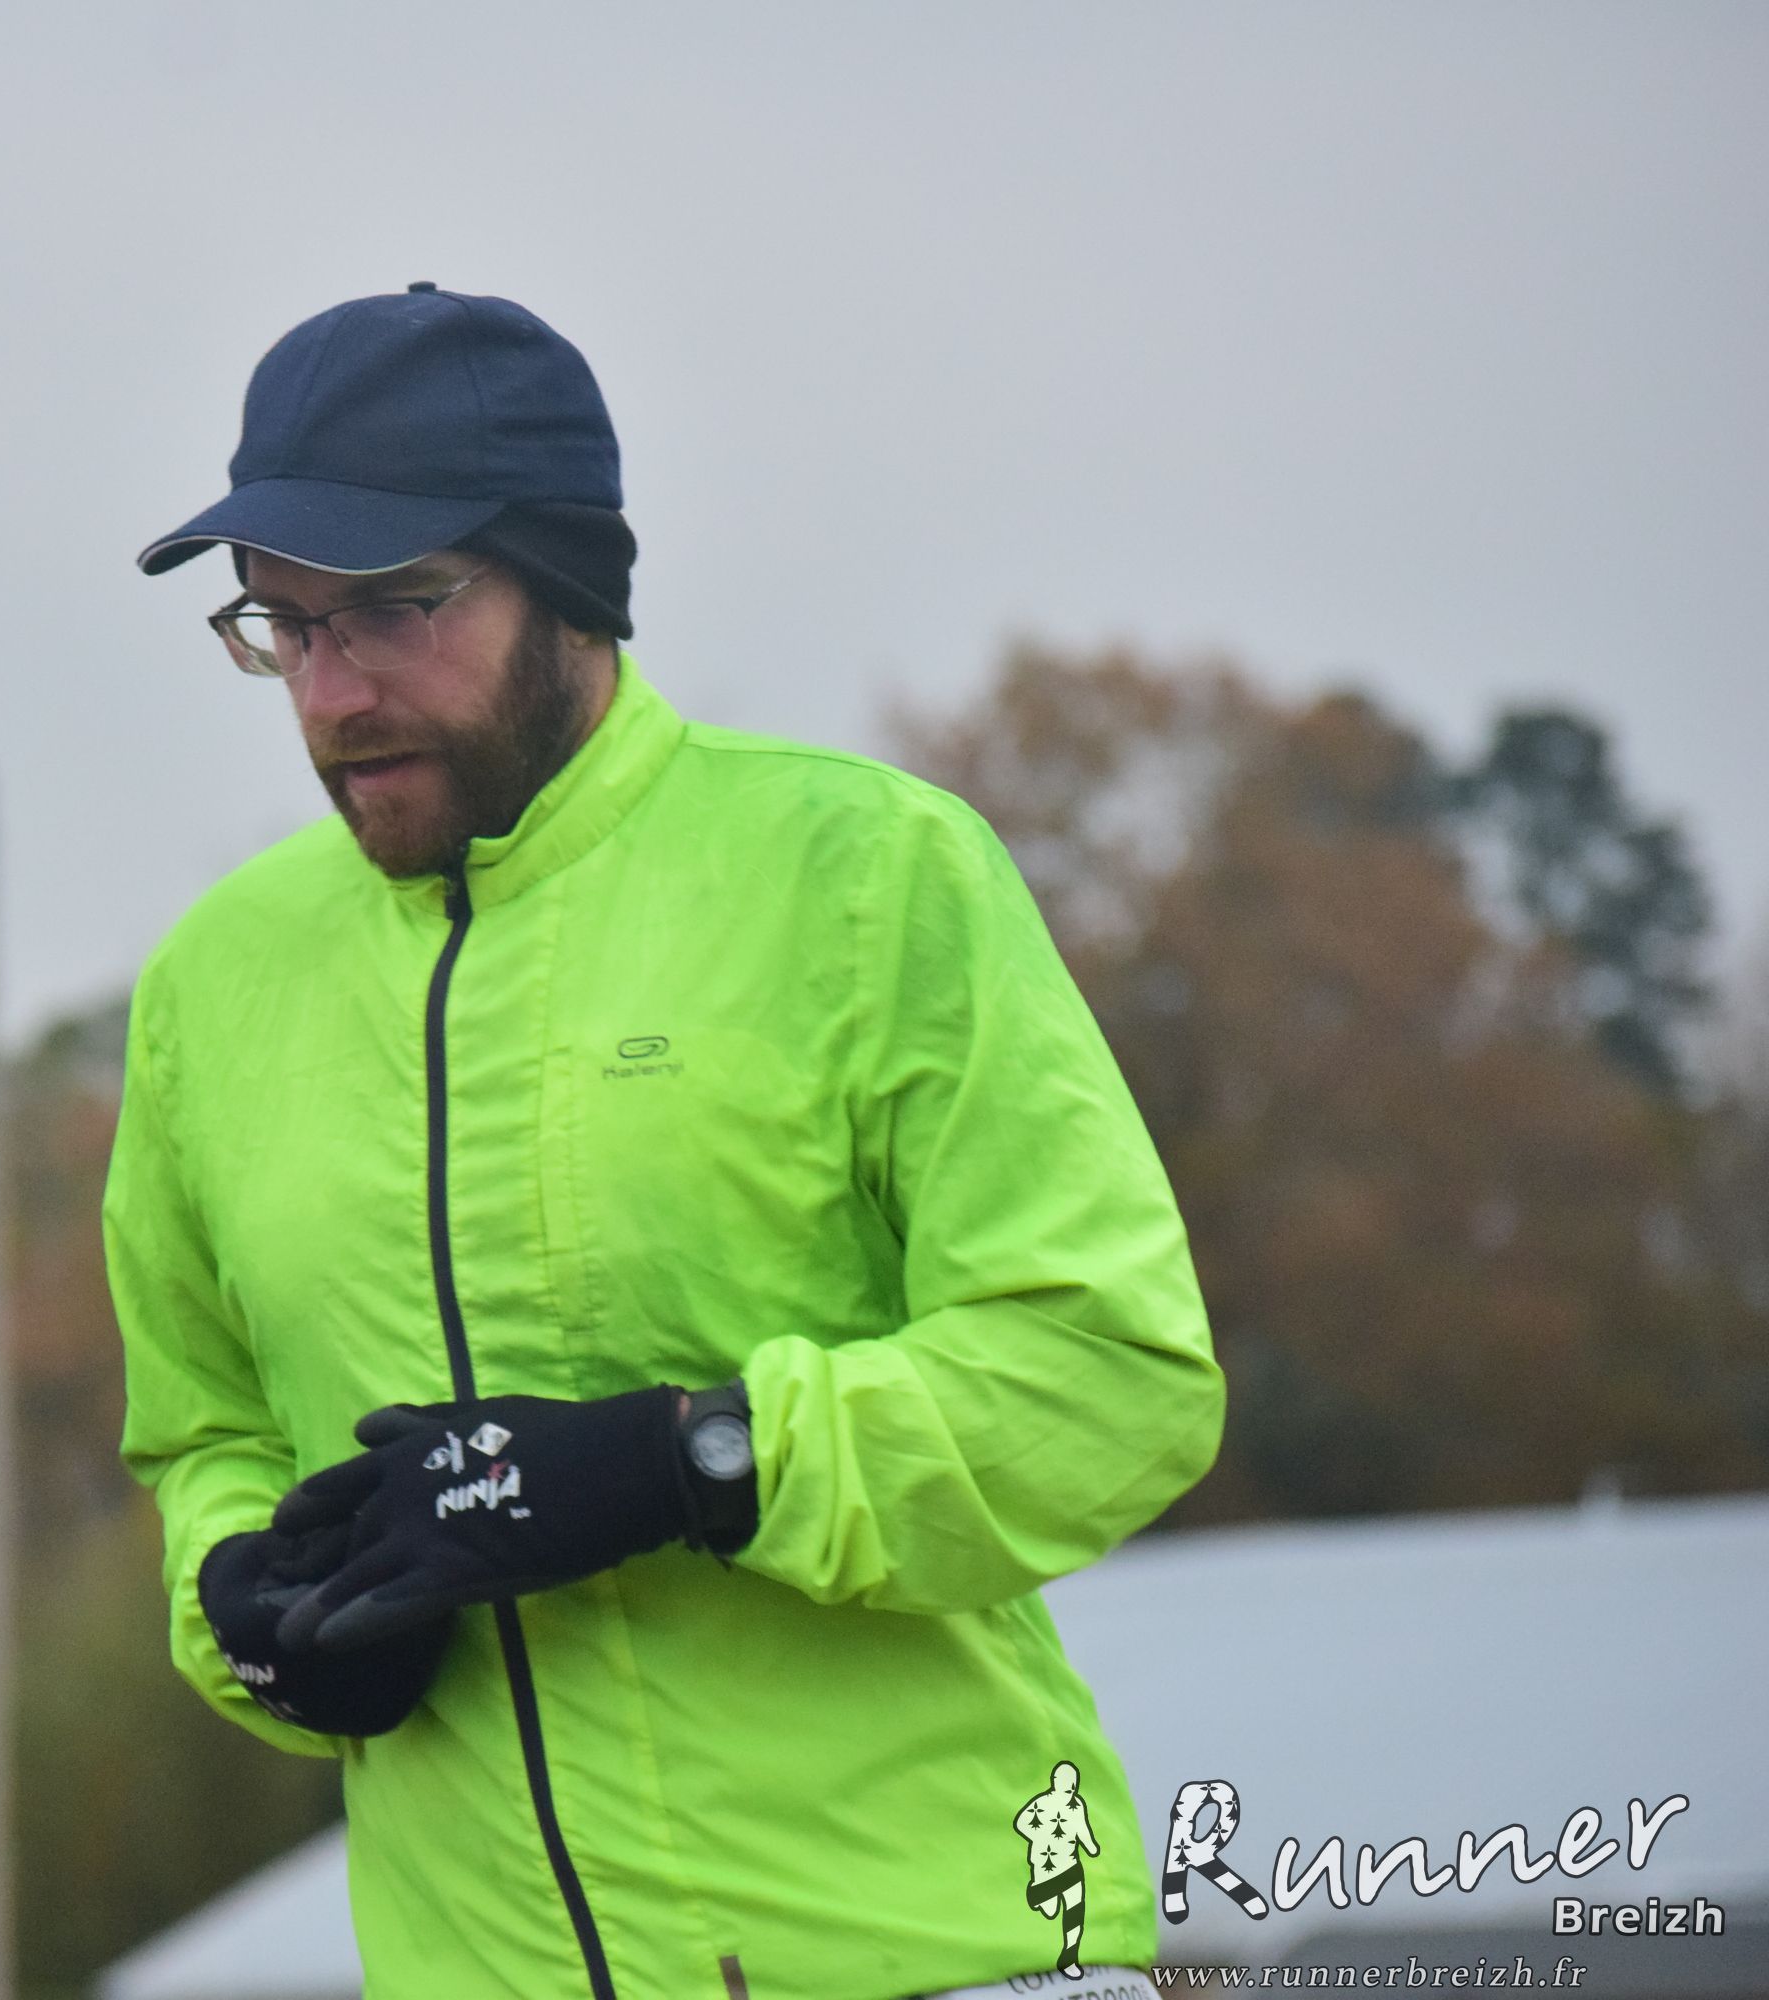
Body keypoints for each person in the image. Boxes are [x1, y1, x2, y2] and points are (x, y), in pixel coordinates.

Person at [107, 285, 1223, 2000]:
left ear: (565, 579)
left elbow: (1113, 1378)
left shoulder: (868, 873)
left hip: (943, 1956)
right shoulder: (214, 983)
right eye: (283, 625)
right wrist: (248, 1606)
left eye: (394, 607)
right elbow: (204, 1437)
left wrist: (691, 1464)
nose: (332, 693)